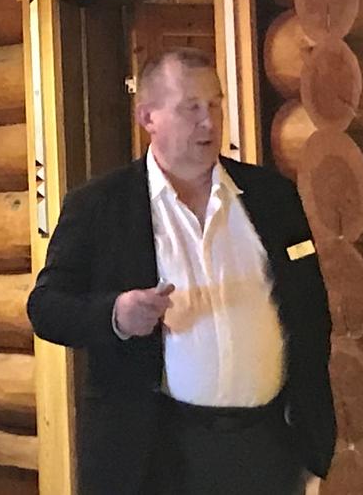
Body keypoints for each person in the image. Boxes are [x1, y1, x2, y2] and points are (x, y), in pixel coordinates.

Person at [26, 47, 335, 495]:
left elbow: (310, 310)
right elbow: (46, 308)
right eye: (191, 108)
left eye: (215, 104)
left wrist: (310, 436)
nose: (209, 122)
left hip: (268, 445)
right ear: (147, 117)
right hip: (156, 452)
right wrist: (115, 314)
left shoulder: (272, 197)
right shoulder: (100, 206)